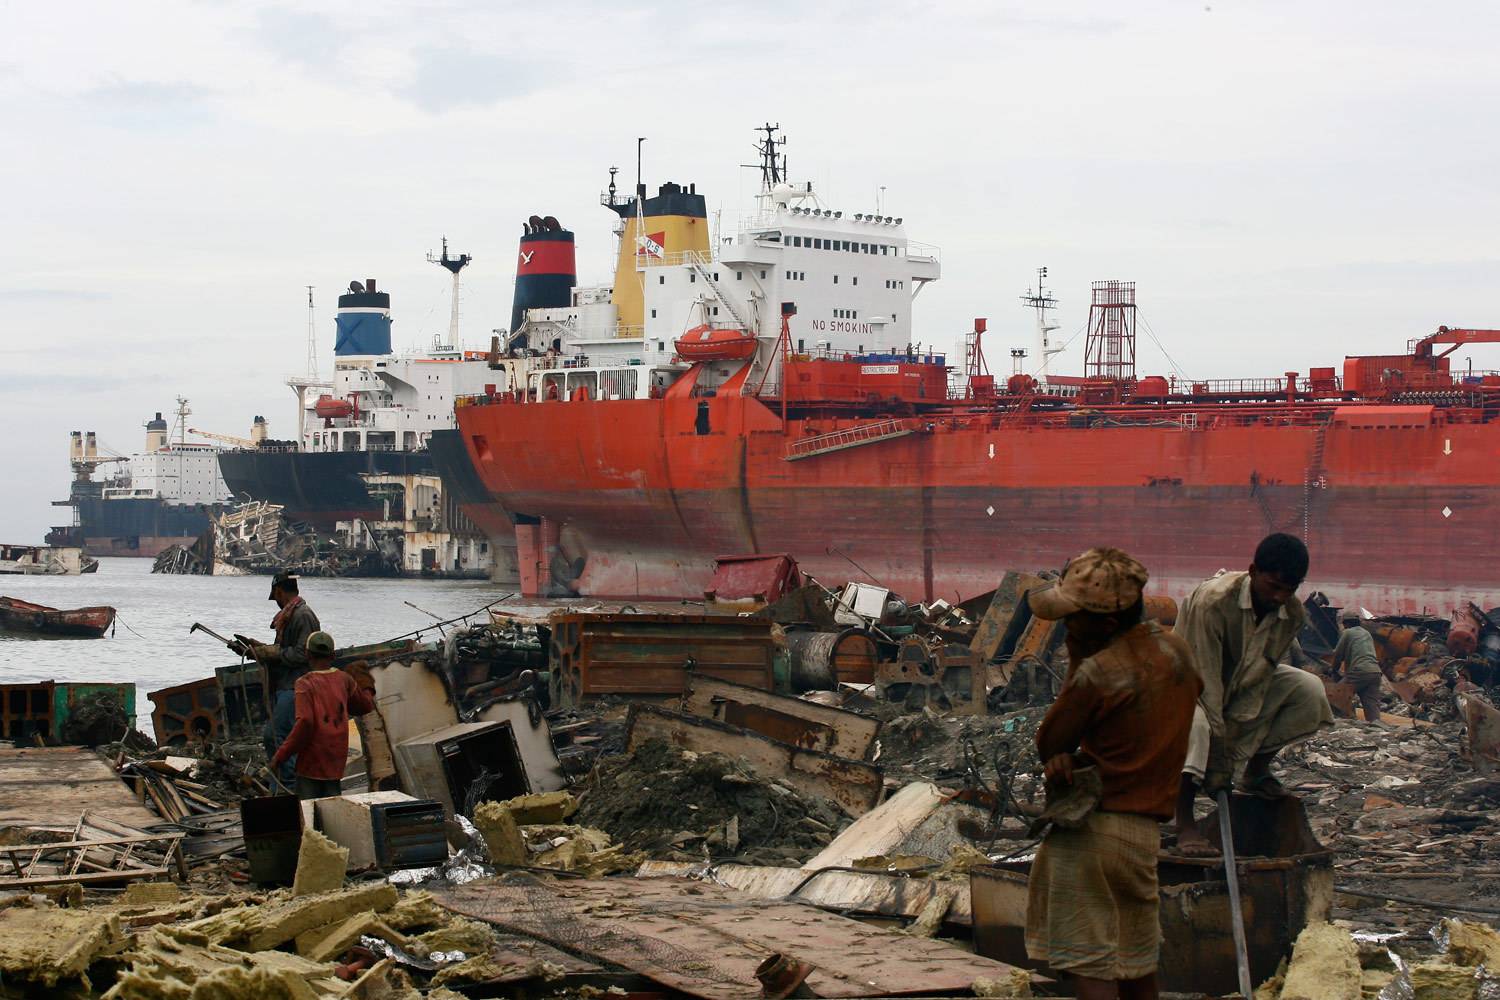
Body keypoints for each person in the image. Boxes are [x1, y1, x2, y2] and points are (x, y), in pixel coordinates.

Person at [1024, 548, 1202, 1000]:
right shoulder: (1177, 652)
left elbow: (1050, 741)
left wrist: (1077, 661)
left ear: (1102, 624)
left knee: (1090, 962)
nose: (1066, 627)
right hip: (1144, 836)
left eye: (1073, 619)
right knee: (1136, 962)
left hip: (1094, 830)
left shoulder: (1100, 672)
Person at [1173, 533, 1334, 856]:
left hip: (1239, 681)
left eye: (1289, 590)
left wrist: (1231, 754)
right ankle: (1185, 823)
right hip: (1184, 683)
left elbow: (1264, 673)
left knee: (1308, 690)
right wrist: (1218, 750)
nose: (1279, 597)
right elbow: (1204, 679)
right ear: (1252, 571)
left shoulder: (1292, 613)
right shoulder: (1213, 602)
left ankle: (1255, 772)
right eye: (1273, 586)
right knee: (1199, 727)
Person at [234, 571, 320, 789]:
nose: (276, 603)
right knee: (279, 737)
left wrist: (267, 653)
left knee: (276, 736)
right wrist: (256, 648)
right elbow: (285, 650)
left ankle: (287, 789)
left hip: (295, 687)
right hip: (285, 686)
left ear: (279, 591)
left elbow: (302, 654)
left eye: (276, 597)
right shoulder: (290, 616)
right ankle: (282, 787)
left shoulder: (302, 616)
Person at [270, 631, 375, 800]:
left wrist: (280, 755)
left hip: (311, 762)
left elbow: (305, 722)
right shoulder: (344, 679)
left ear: (307, 654)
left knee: (308, 810)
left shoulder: (304, 683)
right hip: (336, 760)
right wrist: (367, 686)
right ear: (333, 655)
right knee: (334, 806)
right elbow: (364, 705)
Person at [1330, 611, 1385, 724]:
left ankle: (1342, 723)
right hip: (1375, 672)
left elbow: (1338, 655)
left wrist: (1333, 670)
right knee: (1371, 704)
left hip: (1359, 671)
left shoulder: (1348, 633)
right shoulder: (1366, 633)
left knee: (1336, 695)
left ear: (1347, 623)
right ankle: (1377, 728)